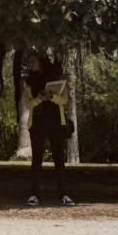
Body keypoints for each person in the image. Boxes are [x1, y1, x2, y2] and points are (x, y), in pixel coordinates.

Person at [24, 51, 75, 207]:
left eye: (33, 61)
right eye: (29, 62)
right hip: (37, 124)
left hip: (55, 123)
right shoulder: (29, 82)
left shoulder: (55, 78)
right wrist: (40, 98)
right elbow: (28, 104)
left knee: (59, 160)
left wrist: (52, 97)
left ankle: (64, 194)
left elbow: (64, 99)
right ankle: (34, 195)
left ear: (41, 62)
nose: (31, 64)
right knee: (36, 160)